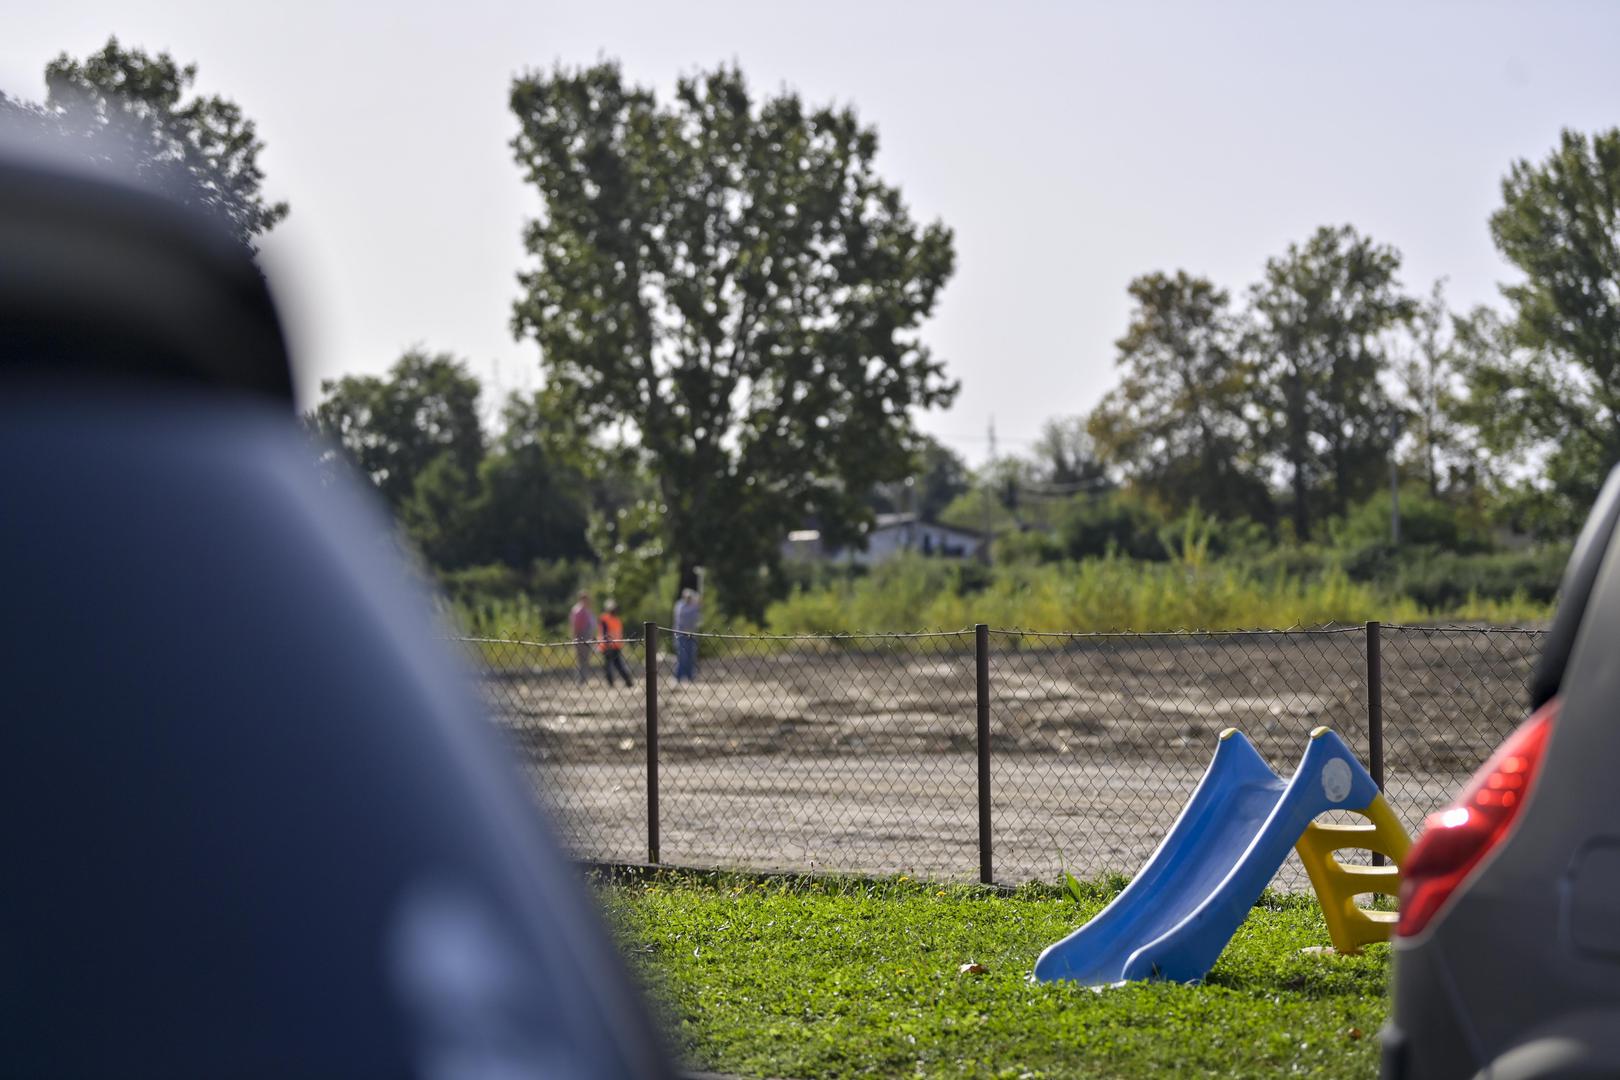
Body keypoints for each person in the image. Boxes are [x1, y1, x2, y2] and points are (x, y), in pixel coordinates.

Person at [598, 599, 633, 688]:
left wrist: (607, 644)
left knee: (610, 666)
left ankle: (613, 683)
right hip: (613, 645)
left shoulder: (606, 619)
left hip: (610, 646)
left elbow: (605, 633)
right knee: (617, 665)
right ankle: (627, 681)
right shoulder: (615, 619)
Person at [672, 586, 702, 683]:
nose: (689, 599)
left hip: (692, 635)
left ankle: (690, 676)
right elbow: (683, 616)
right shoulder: (680, 606)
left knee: (691, 656)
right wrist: (696, 605)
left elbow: (697, 618)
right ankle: (679, 677)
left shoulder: (694, 606)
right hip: (681, 635)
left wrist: (698, 604)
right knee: (682, 656)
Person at [569, 591, 596, 685]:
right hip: (581, 636)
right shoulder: (578, 610)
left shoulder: (586, 610)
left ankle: (582, 679)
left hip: (586, 637)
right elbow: (576, 626)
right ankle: (580, 680)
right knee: (581, 659)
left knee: (585, 659)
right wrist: (576, 637)